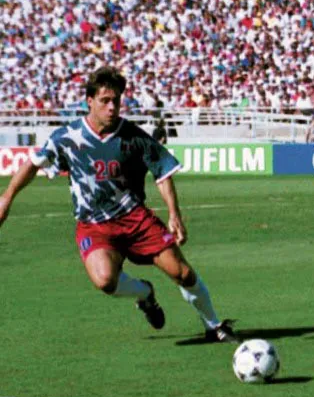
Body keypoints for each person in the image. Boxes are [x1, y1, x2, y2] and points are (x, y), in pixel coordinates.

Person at [0, 66, 237, 342]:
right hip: (94, 226)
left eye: (116, 100)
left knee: (182, 273)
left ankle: (214, 325)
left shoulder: (133, 136)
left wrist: (174, 214)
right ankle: (145, 294)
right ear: (89, 101)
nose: (112, 107)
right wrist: (7, 197)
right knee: (105, 281)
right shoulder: (67, 137)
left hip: (136, 220)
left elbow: (163, 171)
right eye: (105, 101)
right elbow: (32, 164)